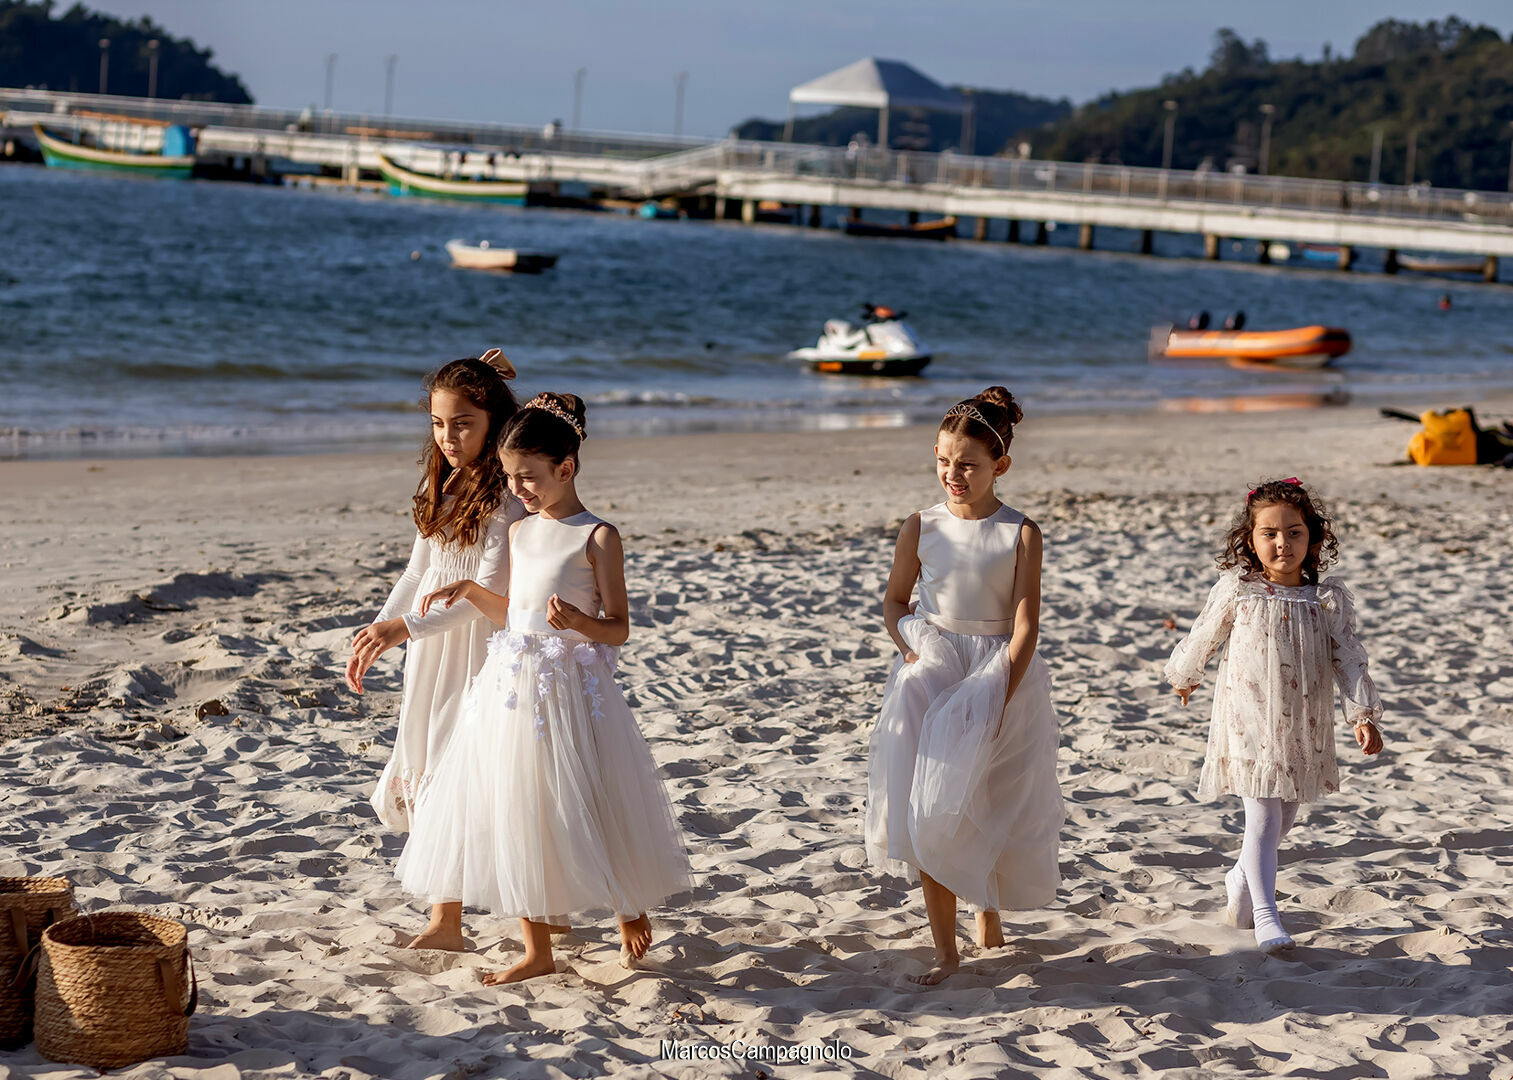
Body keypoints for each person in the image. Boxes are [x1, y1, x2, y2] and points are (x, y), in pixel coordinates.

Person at [398, 392, 691, 983]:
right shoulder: (522, 531)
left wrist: (581, 624)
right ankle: (536, 949)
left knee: (591, 792)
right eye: (510, 478)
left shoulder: (598, 536)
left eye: (529, 477)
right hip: (509, 683)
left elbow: (619, 627)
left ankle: (627, 906)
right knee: (516, 803)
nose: (520, 490)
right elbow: (516, 612)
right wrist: (470, 593)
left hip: (569, 685)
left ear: (567, 468)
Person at [865, 388, 1064, 985]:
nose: (954, 474)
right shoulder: (920, 526)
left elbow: (1026, 622)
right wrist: (911, 645)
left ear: (999, 466)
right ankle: (945, 949)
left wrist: (1000, 692)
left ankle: (989, 911)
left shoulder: (1020, 533)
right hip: (934, 668)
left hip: (998, 673)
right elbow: (896, 601)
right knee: (932, 804)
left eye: (969, 464)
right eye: (944, 461)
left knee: (988, 799)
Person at [345, 350, 524, 950]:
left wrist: (405, 630)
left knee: (470, 773)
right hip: (429, 648)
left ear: (493, 423)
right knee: (427, 765)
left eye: (464, 423)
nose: (448, 436)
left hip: (476, 649)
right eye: (438, 422)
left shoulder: (506, 494)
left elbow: (489, 592)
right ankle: (446, 921)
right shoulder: (439, 482)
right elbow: (418, 572)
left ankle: (545, 914)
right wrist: (378, 628)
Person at [1166, 477, 1384, 954]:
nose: (1282, 543)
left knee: (1285, 814)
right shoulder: (1239, 592)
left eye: (1294, 532)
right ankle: (1267, 917)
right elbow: (1206, 634)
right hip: (1248, 716)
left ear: (1314, 538)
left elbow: (1348, 656)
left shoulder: (1325, 600)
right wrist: (1186, 674)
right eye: (1269, 533)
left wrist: (1362, 714)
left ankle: (1240, 880)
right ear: (1250, 539)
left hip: (1302, 720)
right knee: (1263, 813)